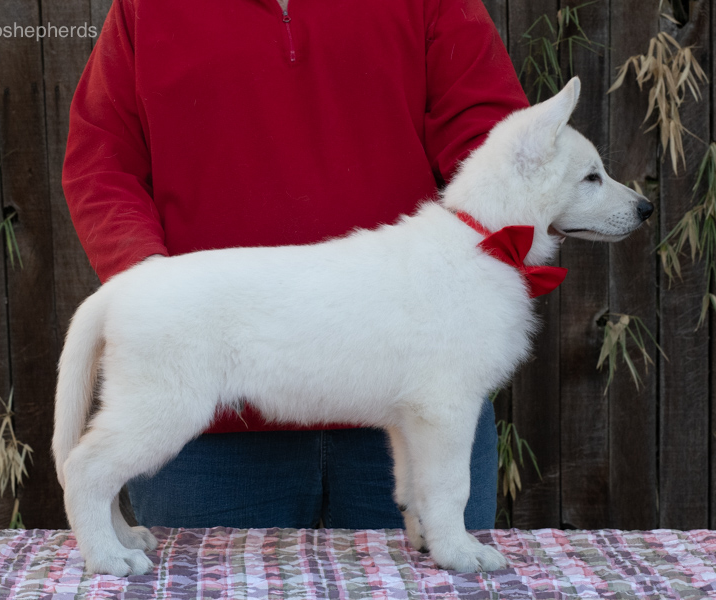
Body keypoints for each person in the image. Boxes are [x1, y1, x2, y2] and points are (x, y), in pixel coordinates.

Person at [62, 0, 529, 531]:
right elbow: (102, 160)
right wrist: (156, 292)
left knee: (435, 584)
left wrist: (506, 252)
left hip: (410, 389)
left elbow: (498, 146)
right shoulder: (145, 9)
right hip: (210, 425)